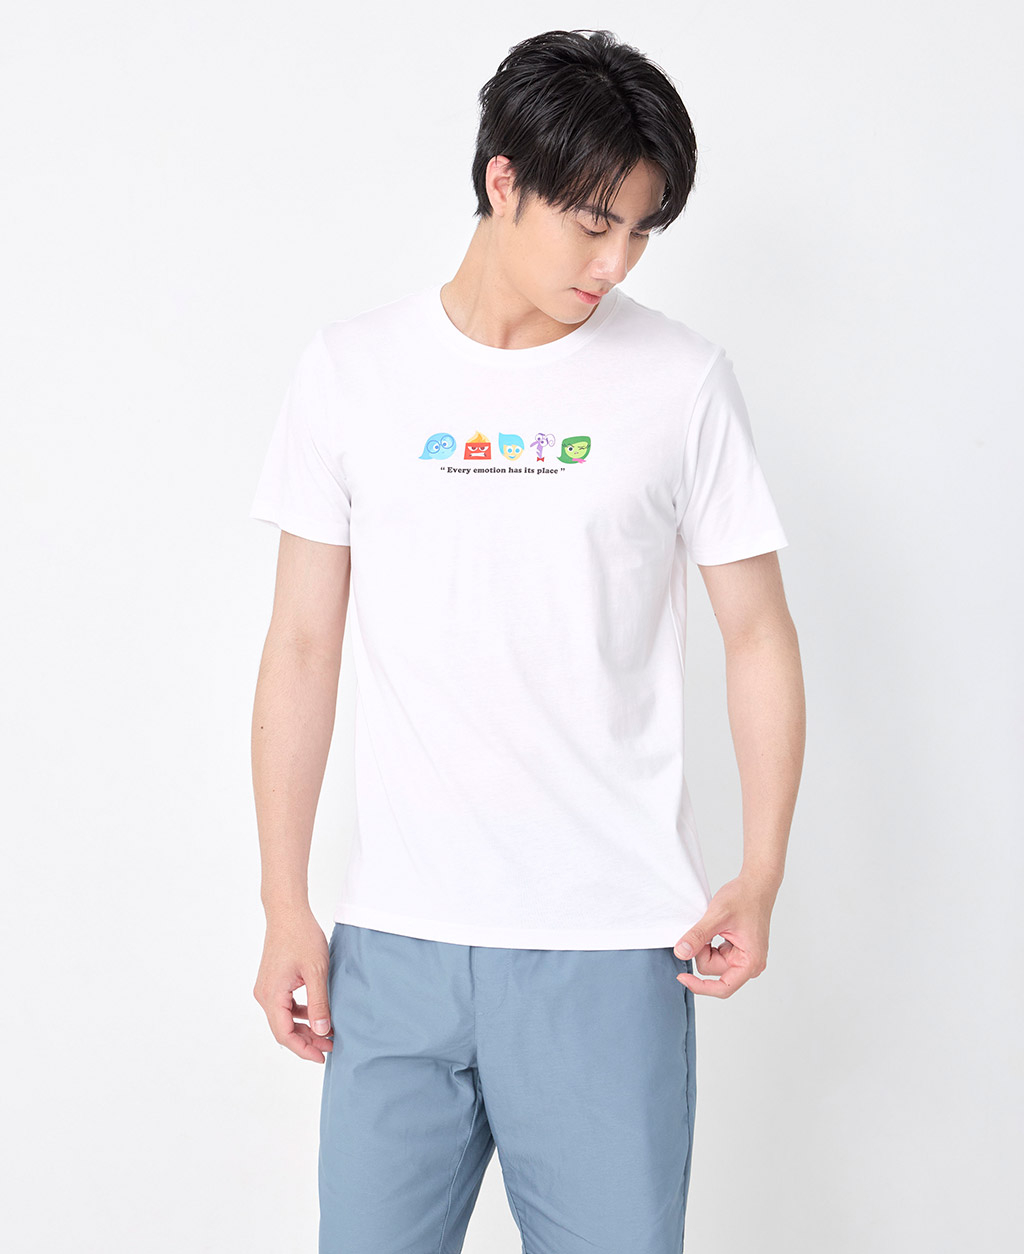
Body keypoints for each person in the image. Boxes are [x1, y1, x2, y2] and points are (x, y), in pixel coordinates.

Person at [249, 27, 805, 1254]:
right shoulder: (351, 373)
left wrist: (759, 871)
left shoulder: (680, 381)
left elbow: (758, 633)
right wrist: (286, 901)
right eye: (594, 222)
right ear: (503, 180)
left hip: (609, 948)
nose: (615, 262)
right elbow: (299, 647)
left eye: (641, 232)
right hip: (396, 947)